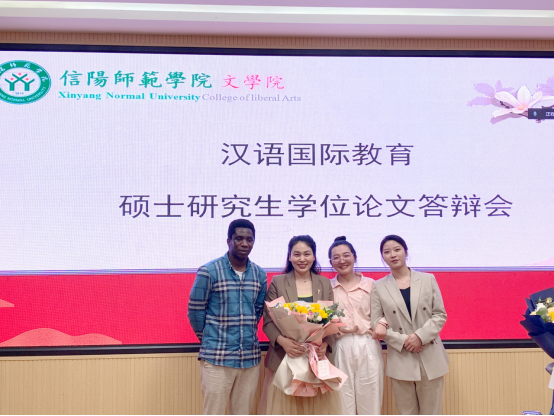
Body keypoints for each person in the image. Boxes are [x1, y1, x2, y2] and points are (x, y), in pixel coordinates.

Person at [187, 219, 267, 415]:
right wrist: (210, 339)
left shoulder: (259, 274)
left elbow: (257, 311)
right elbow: (195, 310)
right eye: (239, 238)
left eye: (249, 239)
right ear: (229, 241)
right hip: (217, 358)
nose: (244, 243)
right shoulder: (209, 271)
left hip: (249, 358)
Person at [260, 235, 346, 415]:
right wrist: (283, 341)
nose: (302, 259)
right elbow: (268, 320)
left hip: (316, 359)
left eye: (307, 254)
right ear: (290, 257)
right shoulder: (278, 282)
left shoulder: (324, 283)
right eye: (297, 254)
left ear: (314, 256)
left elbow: (330, 319)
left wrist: (325, 344)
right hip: (285, 356)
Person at [370, 235, 449, 416]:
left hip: (429, 353)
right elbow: (376, 322)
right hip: (401, 356)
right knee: (406, 412)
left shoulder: (427, 279)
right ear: (383, 257)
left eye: (397, 249)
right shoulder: (379, 286)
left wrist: (420, 336)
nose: (392, 255)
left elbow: (440, 314)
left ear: (406, 252)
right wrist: (405, 340)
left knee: (432, 412)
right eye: (387, 252)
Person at [329, 236, 386, 415]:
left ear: (355, 257)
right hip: (339, 345)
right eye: (336, 257)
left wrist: (382, 323)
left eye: (346, 255)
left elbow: (387, 311)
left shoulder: (372, 285)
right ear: (331, 262)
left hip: (367, 343)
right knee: (341, 404)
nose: (342, 260)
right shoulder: (327, 287)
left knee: (370, 401)